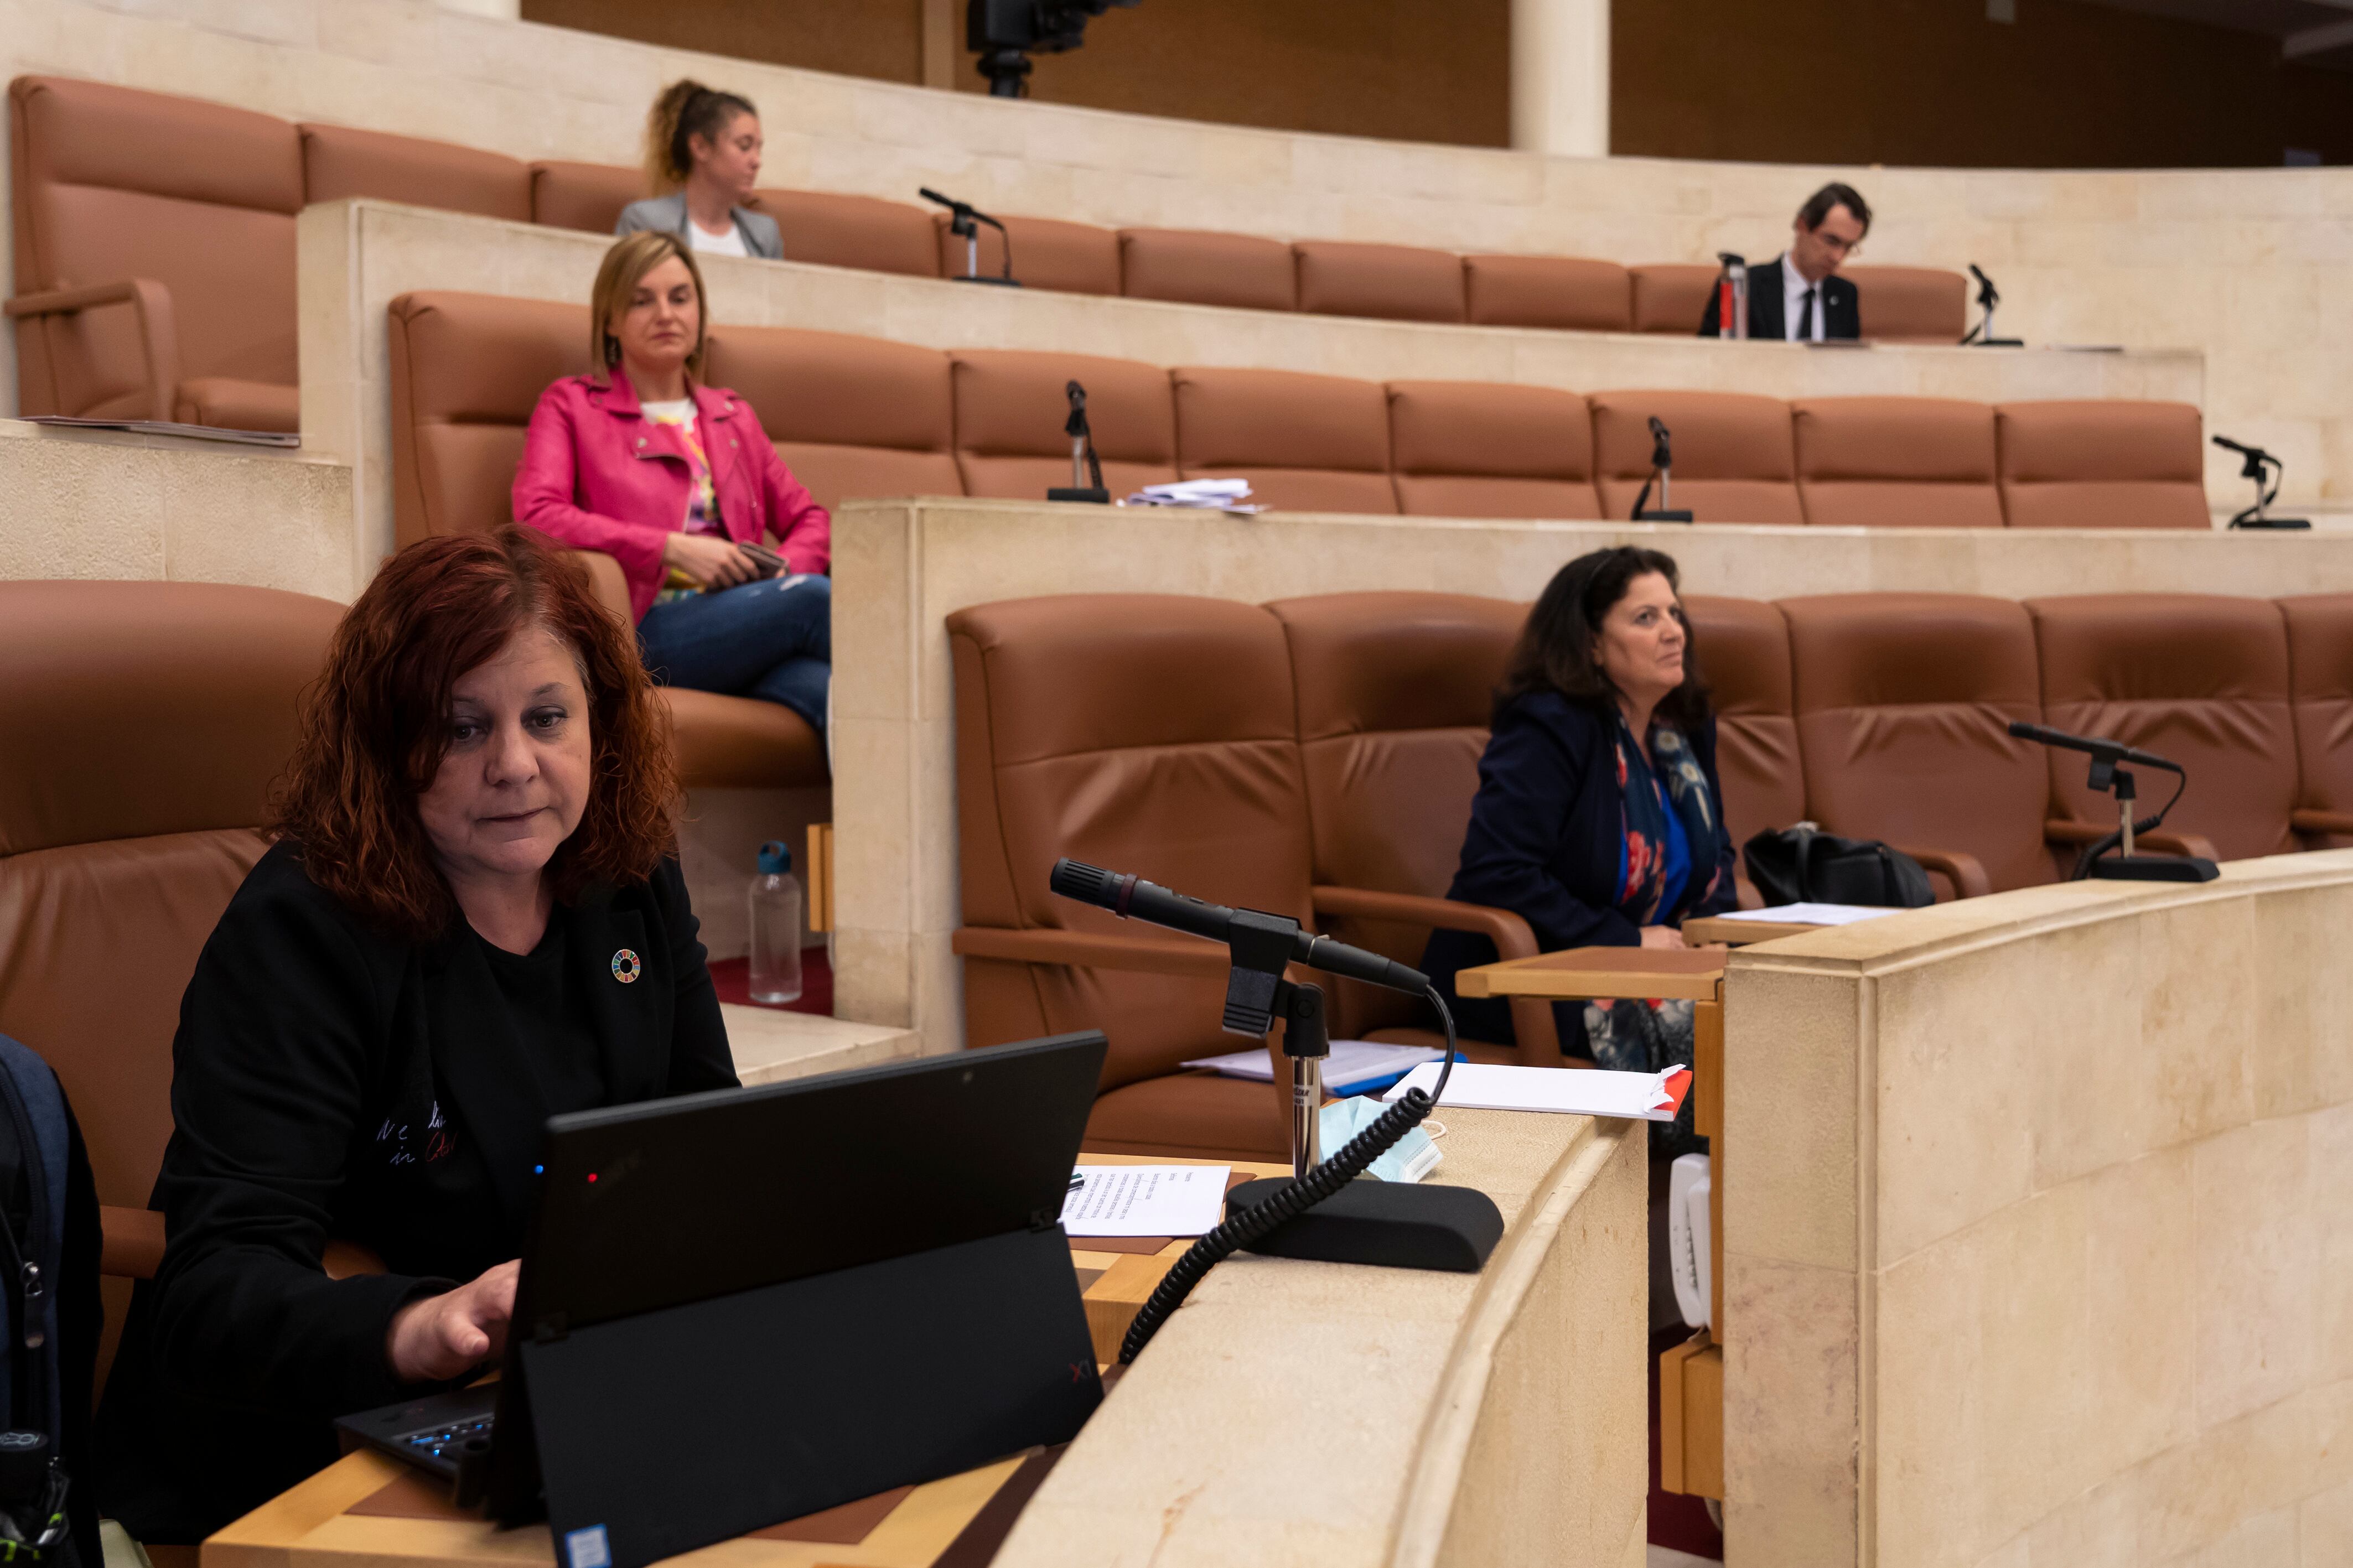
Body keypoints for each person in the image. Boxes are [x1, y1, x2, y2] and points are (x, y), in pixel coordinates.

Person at [92, 529, 739, 1539]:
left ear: (599, 726)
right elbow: (213, 1286)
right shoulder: (304, 924)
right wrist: (412, 1323)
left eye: (547, 717)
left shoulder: (631, 874)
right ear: (389, 743)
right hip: (322, 1441)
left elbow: (712, 1146)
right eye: (461, 726)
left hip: (559, 1405)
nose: (516, 764)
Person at [1423, 547, 1737, 1077]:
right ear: (1591, 643)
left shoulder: (1681, 728)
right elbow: (1497, 873)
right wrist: (1630, 940)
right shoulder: (1549, 726)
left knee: (1789, 1005)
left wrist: (1713, 936)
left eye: (1674, 613)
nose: (1674, 631)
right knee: (1731, 1039)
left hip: (1650, 971)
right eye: (1646, 617)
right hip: (1535, 980)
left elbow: (1716, 852)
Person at [514, 230, 832, 734]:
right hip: (641, 626)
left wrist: (783, 574)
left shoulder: (731, 416)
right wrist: (670, 548)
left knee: (834, 694)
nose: (666, 313)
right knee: (817, 600)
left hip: (748, 618)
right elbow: (538, 516)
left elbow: (810, 518)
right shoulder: (572, 404)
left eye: (680, 298)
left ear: (700, 313)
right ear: (611, 320)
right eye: (643, 301)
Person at [616, 79, 782, 260]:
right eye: (744, 146)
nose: (757, 161)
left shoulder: (765, 234)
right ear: (700, 147)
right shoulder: (646, 223)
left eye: (759, 149)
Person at [1697, 181, 1869, 342]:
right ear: (1802, 225)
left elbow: (1849, 366)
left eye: (1848, 247)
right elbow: (1710, 357)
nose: (1838, 257)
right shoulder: (1744, 286)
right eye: (1831, 241)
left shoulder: (1845, 295)